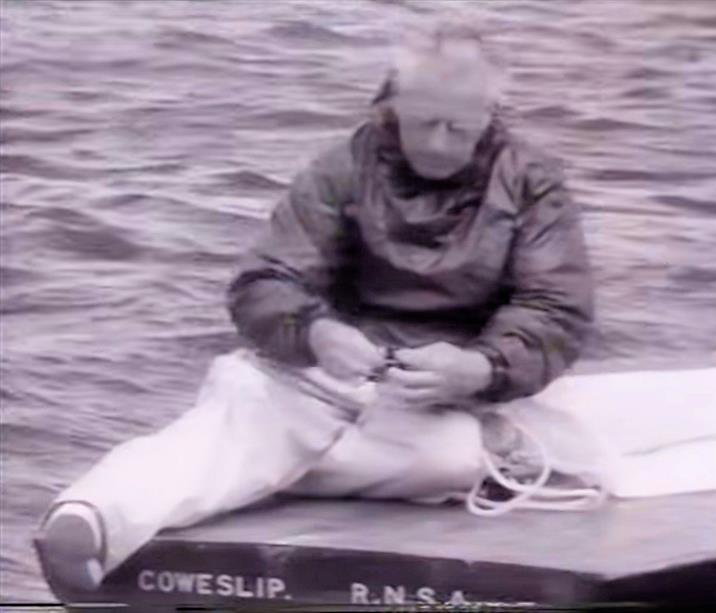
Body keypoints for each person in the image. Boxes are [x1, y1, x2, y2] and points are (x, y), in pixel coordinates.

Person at [36, 23, 594, 591]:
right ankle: (92, 517)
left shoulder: (532, 182)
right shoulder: (342, 168)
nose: (440, 143)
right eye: (424, 123)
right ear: (394, 107)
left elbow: (556, 308)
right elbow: (264, 281)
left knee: (444, 457)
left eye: (460, 128)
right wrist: (317, 333)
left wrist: (481, 367)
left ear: (490, 114)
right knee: (255, 398)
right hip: (335, 377)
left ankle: (257, 464)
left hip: (457, 396)